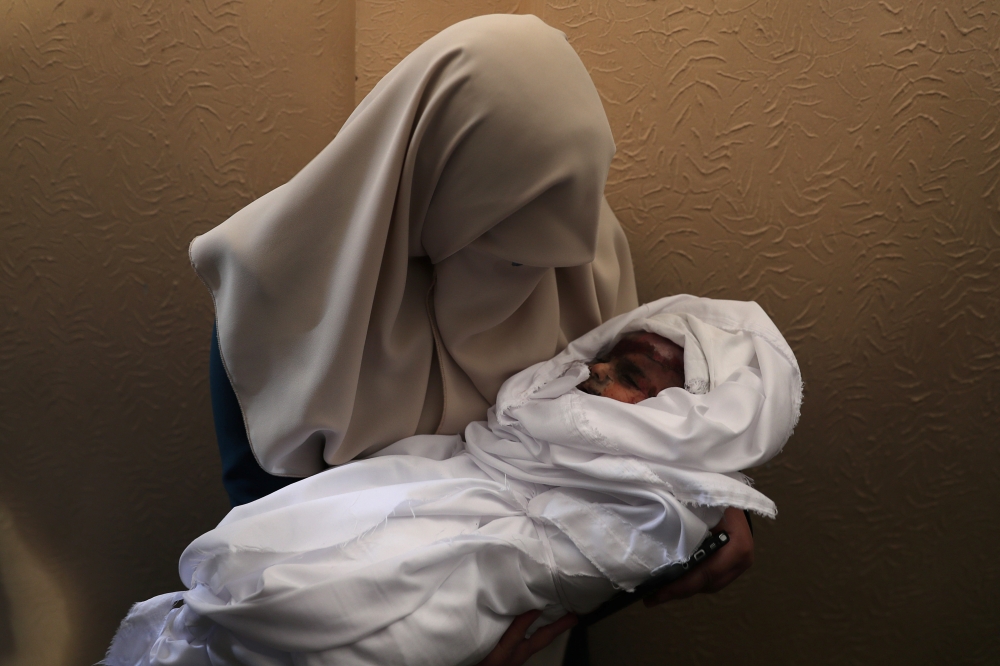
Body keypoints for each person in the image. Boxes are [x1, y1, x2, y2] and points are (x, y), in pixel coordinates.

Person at [189, 13, 757, 665]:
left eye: (550, 260)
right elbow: (267, 549)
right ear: (434, 182)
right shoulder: (282, 295)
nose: (528, 287)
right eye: (506, 255)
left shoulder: (585, 249)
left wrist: (714, 493)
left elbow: (649, 427)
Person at [106, 295, 801, 666]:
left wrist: (708, 492)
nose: (588, 373)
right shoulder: (284, 310)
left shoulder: (569, 290)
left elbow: (645, 501)